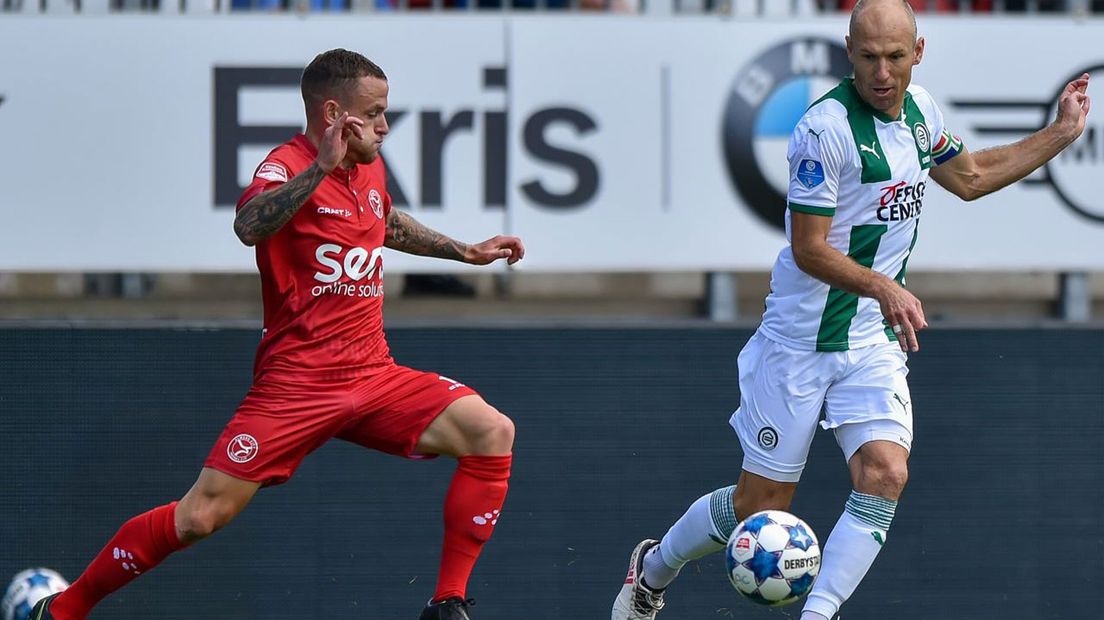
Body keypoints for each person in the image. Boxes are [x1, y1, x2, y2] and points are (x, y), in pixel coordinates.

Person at [611, 1, 1091, 619]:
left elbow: (969, 177)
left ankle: (820, 612)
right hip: (800, 341)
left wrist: (1061, 133)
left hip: (869, 339)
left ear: (918, 53)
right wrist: (885, 286)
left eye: (895, 57)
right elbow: (809, 250)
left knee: (886, 473)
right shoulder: (824, 129)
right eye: (869, 57)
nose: (883, 72)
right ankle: (654, 568)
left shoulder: (922, 115)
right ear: (848, 52)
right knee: (760, 508)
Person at [33, 49, 524, 620]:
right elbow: (248, 224)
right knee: (199, 518)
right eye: (377, 112)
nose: (387, 125)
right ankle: (64, 609)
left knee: (491, 430)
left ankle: (447, 603)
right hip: (298, 385)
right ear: (337, 114)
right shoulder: (288, 164)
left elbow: (382, 219)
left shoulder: (369, 168)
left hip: (373, 373)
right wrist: (319, 166)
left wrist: (462, 250)